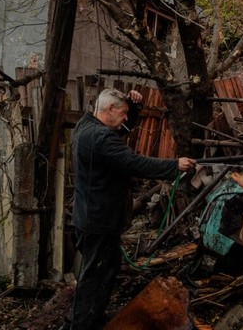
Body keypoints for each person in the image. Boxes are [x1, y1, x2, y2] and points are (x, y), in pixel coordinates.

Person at [64, 87, 196, 330]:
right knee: (94, 277)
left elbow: (120, 132)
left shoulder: (86, 125)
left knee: (105, 269)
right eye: (123, 112)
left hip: (90, 218)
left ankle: (89, 319)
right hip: (99, 220)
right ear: (110, 109)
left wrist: (134, 108)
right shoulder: (100, 139)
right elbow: (134, 162)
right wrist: (174, 165)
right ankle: (80, 324)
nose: (126, 119)